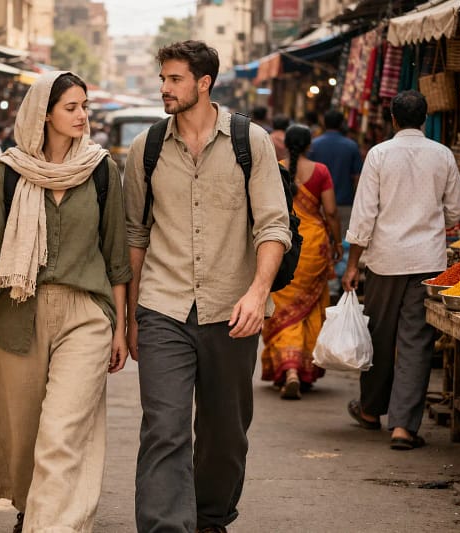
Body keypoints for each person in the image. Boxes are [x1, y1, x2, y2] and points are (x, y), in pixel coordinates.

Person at [124, 41, 291, 533]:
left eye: (174, 79)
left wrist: (258, 293)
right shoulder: (146, 148)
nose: (164, 88)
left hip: (231, 308)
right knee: (164, 429)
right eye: (162, 79)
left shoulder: (250, 141)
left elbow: (273, 225)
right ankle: (164, 526)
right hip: (162, 307)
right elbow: (135, 235)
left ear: (203, 83)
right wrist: (131, 315)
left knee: (225, 433)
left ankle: (210, 519)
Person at [0, 71, 131, 533]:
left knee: (62, 433)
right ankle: (32, 508)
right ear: (44, 113)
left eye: (84, 106)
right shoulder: (9, 172)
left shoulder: (101, 170)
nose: (82, 116)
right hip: (20, 311)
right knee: (26, 432)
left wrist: (120, 326)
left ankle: (49, 526)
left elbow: (116, 257)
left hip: (86, 316)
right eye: (71, 107)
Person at [342, 91, 460, 450]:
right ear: (424, 119)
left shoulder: (379, 155)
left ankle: (370, 411)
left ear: (392, 119)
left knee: (380, 336)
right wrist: (430, 223)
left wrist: (353, 263)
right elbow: (456, 209)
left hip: (385, 261)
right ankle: (403, 427)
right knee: (416, 341)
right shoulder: (442, 155)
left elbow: (364, 215)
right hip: (428, 261)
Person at [260, 125, 341, 399]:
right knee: (308, 310)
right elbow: (330, 211)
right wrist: (338, 241)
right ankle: (303, 368)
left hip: (283, 246)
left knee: (282, 308)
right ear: (309, 145)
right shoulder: (320, 172)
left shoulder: (275, 167)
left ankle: (289, 369)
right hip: (314, 248)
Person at [308, 109, 363, 236]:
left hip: (318, 205)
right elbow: (357, 177)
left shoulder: (314, 145)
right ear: (341, 124)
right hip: (344, 204)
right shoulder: (352, 146)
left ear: (324, 123)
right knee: (342, 244)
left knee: (320, 243)